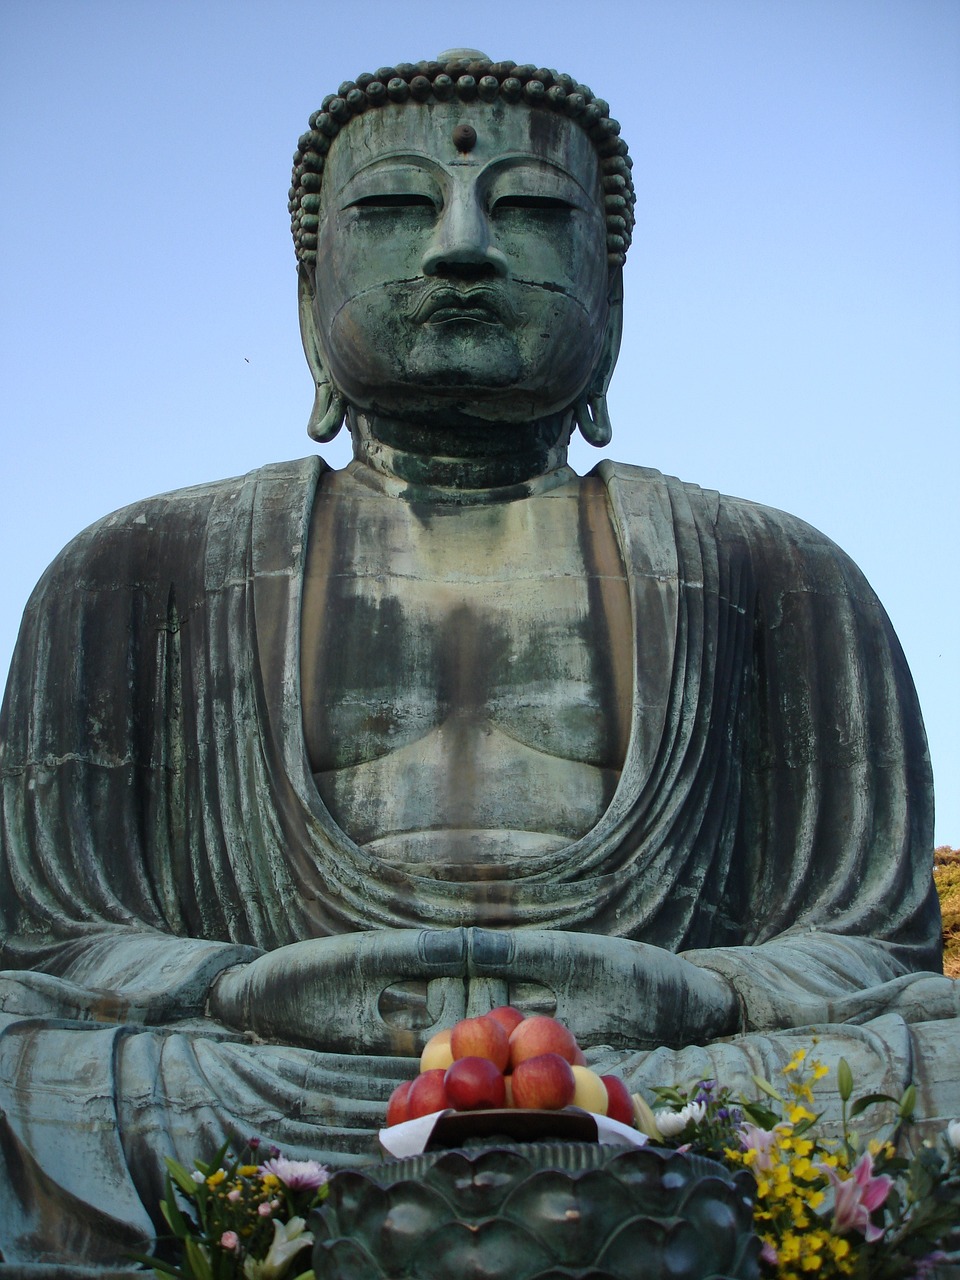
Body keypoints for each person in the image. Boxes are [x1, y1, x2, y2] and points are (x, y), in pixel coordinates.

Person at [1, 51, 957, 1273]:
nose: (461, 248)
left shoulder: (775, 571)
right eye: (398, 208)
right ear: (308, 293)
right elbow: (60, 942)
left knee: (933, 1061)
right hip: (268, 1072)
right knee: (29, 1070)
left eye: (533, 212)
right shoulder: (135, 570)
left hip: (662, 1067)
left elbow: (864, 947)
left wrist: (680, 996)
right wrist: (263, 989)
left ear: (611, 295)